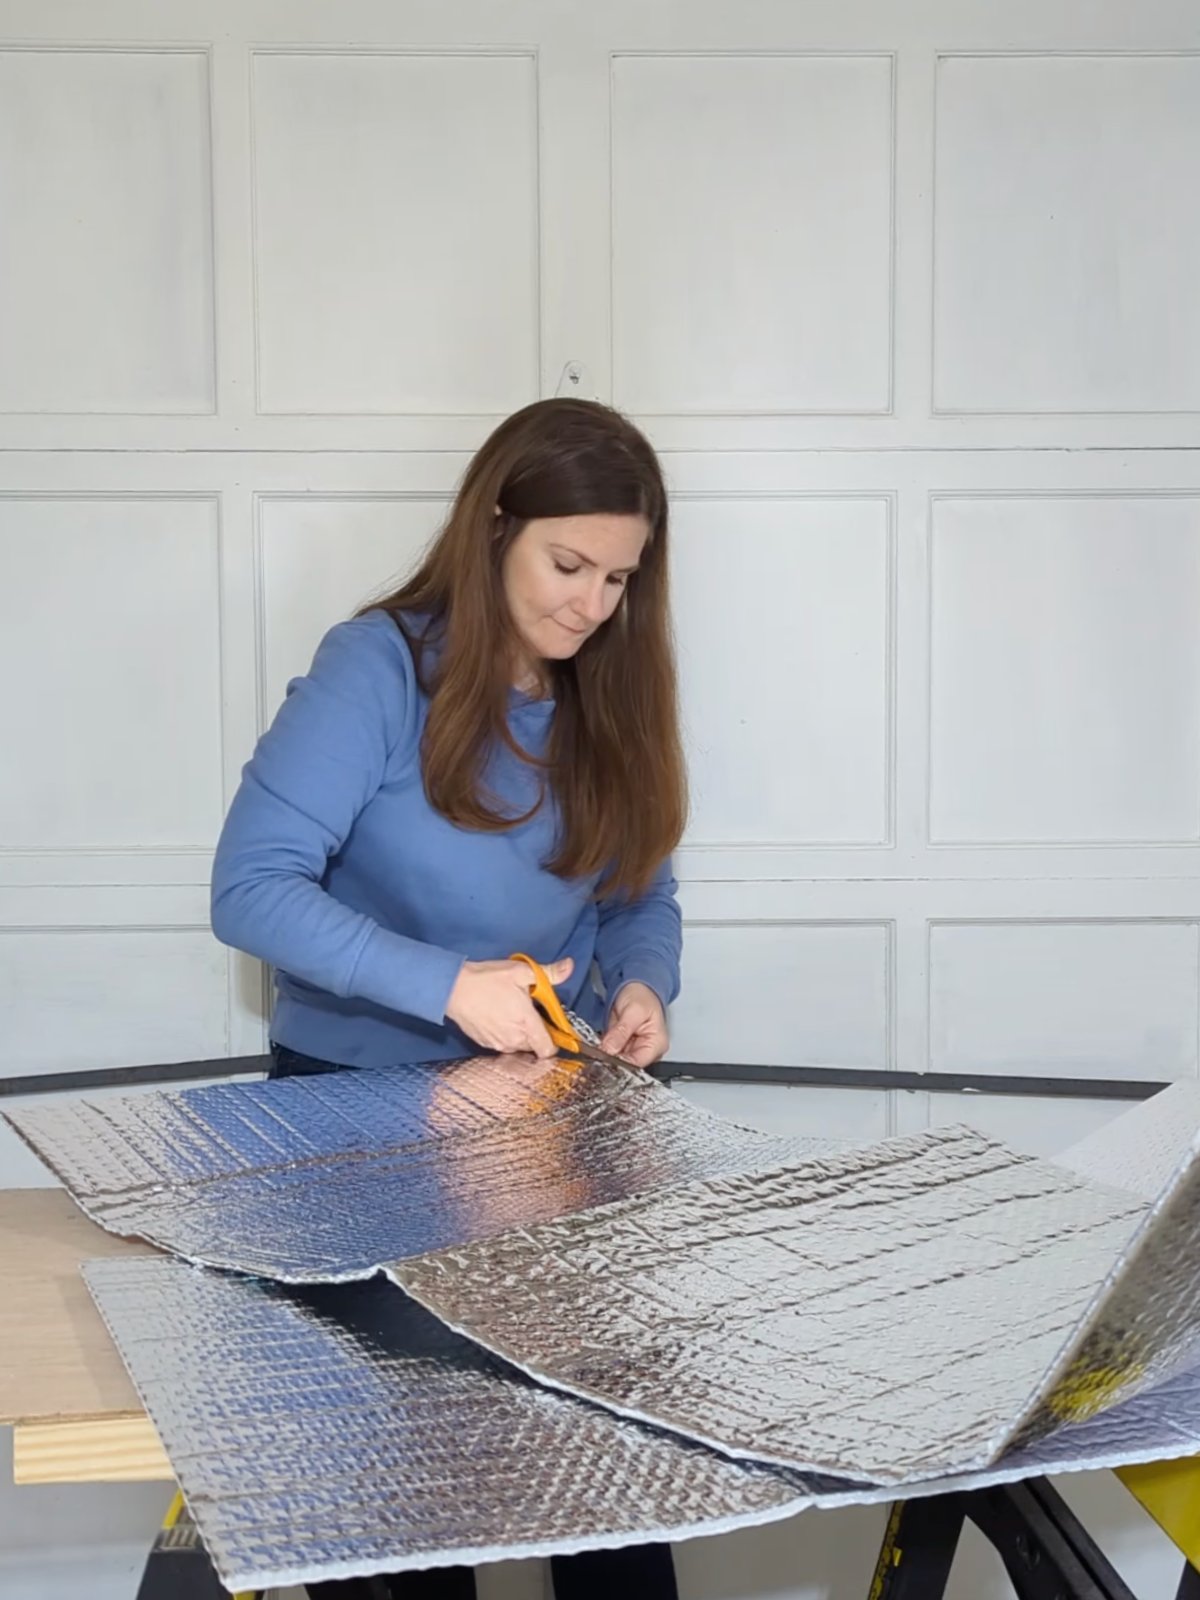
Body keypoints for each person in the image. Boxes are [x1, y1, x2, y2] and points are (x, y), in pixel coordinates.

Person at [210, 397, 688, 1599]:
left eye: (619, 578)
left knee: (618, 1480)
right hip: (354, 1124)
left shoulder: (607, 693)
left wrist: (644, 983)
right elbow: (250, 890)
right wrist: (445, 986)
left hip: (545, 1125)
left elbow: (640, 898)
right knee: (414, 1499)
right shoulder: (374, 667)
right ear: (491, 528)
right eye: (567, 564)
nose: (591, 604)